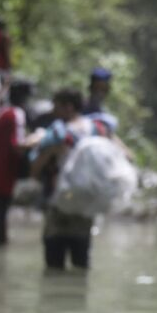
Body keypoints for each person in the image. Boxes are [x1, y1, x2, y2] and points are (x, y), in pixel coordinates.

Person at [29, 88, 107, 270]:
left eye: (57, 107)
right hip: (86, 205)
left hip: (60, 204)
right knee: (81, 263)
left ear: (68, 107)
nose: (54, 112)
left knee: (54, 265)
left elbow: (35, 169)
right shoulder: (97, 129)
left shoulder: (59, 133)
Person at [0, 80, 35, 246]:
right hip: (5, 169)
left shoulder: (1, 112)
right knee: (2, 209)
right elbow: (17, 145)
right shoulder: (17, 113)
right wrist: (37, 139)